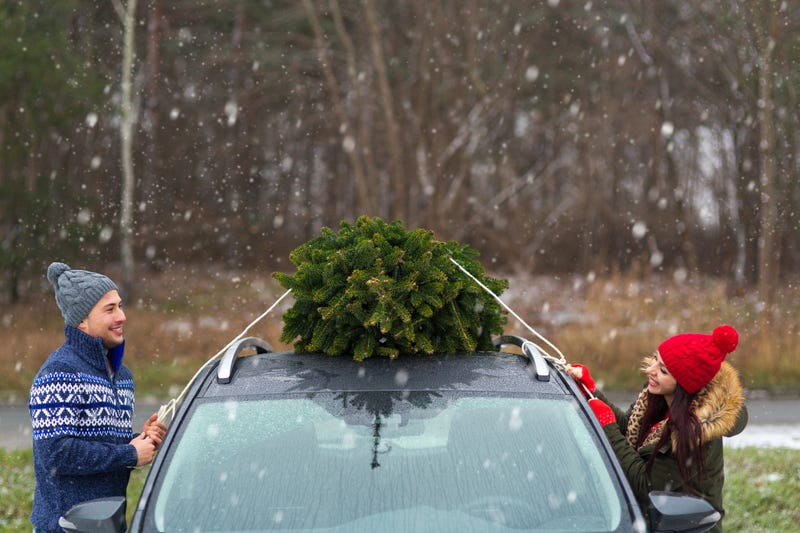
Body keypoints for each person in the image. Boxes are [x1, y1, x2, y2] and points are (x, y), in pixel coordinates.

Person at [566, 324, 747, 533]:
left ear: (683, 385)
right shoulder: (660, 398)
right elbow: (631, 432)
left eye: (663, 370)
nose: (650, 370)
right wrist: (592, 391)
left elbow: (645, 485)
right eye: (655, 359)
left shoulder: (694, 435)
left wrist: (608, 426)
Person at [29, 262, 167, 533]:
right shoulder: (60, 372)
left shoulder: (122, 376)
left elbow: (102, 448)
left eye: (120, 305)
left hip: (110, 526)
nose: (122, 316)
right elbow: (56, 454)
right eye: (109, 309)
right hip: (65, 529)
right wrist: (129, 453)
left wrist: (139, 442)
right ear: (82, 320)